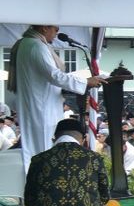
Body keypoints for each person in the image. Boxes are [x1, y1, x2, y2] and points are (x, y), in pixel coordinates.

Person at [11, 25, 106, 170]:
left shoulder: (29, 43)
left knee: (40, 149)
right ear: (44, 28)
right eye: (55, 30)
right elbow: (54, 75)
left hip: (40, 104)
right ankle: (43, 183)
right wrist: (86, 82)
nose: (56, 34)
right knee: (43, 148)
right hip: (41, 108)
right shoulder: (35, 46)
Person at [21, 118, 121, 206]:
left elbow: (30, 201)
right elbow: (105, 197)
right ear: (84, 139)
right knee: (114, 205)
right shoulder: (94, 158)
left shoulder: (38, 159)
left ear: (54, 138)